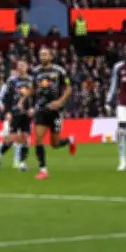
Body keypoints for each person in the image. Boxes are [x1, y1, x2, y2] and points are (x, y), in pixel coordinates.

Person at [28, 47, 75, 180]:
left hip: (55, 110)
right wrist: (24, 99)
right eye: (41, 55)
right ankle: (43, 170)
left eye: (45, 54)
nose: (42, 57)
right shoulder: (35, 72)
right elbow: (33, 88)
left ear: (51, 56)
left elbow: (69, 88)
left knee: (54, 144)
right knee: (38, 139)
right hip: (41, 109)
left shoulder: (59, 71)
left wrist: (60, 102)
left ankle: (70, 140)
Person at [0, 59, 32, 172]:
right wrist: (8, 112)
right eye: (19, 66)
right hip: (14, 113)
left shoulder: (31, 80)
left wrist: (33, 108)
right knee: (10, 139)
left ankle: (22, 163)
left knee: (25, 137)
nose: (20, 67)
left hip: (27, 114)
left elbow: (34, 97)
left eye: (23, 65)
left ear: (27, 67)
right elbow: (7, 98)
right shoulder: (12, 81)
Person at [105, 44, 126, 172]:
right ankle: (123, 161)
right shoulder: (118, 67)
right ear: (123, 52)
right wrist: (108, 101)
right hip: (123, 103)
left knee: (125, 133)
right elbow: (113, 85)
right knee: (121, 131)